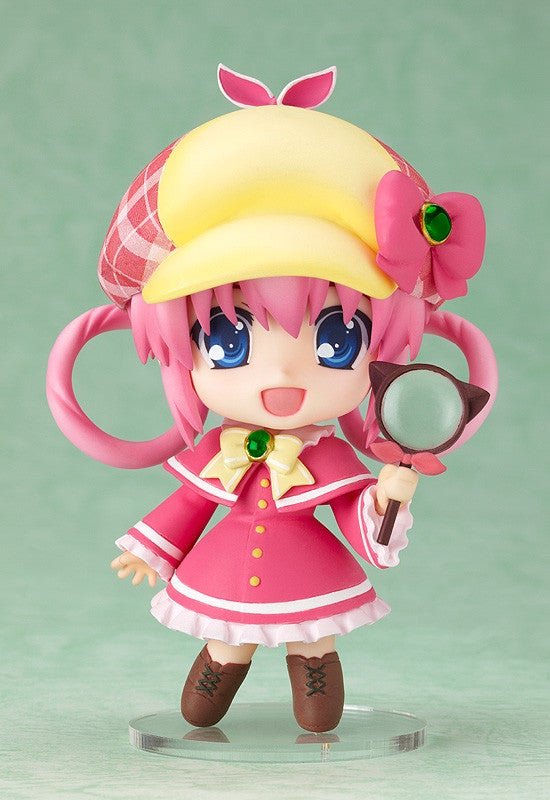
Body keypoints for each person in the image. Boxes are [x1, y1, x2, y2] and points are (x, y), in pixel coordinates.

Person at [46, 65, 497, 733]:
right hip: (225, 571)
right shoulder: (219, 450)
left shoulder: (329, 460)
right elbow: (190, 504)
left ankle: (311, 676)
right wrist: (149, 548)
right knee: (222, 649)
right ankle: (221, 670)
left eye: (338, 340)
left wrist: (390, 497)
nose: (282, 372)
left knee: (314, 644)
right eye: (228, 340)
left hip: (310, 573)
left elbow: (360, 525)